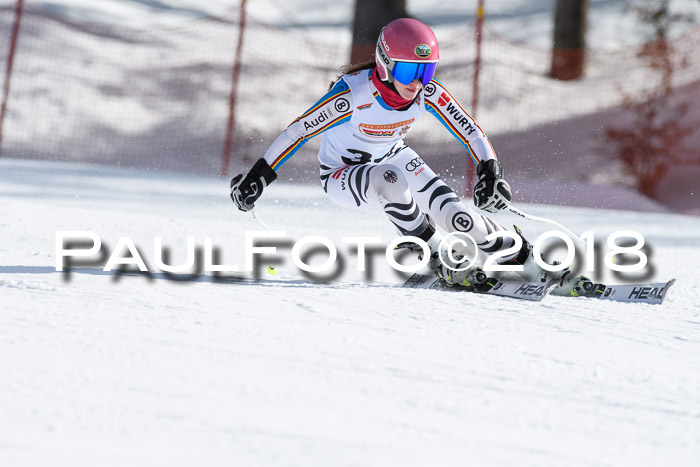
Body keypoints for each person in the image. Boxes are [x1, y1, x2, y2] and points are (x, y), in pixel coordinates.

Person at [230, 18, 586, 295]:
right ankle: (435, 256)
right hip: (344, 173)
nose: (417, 82)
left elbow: (471, 131)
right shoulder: (352, 95)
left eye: (425, 70)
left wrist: (491, 172)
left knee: (459, 216)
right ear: (385, 65)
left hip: (394, 156)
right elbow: (298, 131)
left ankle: (526, 258)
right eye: (408, 71)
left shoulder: (427, 93)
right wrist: (259, 177)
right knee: (390, 180)